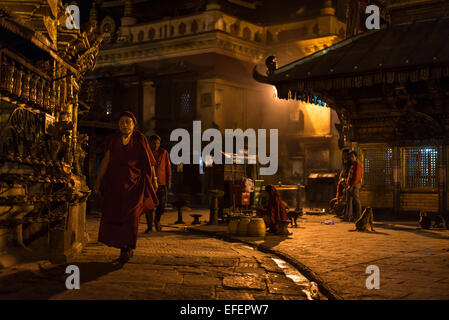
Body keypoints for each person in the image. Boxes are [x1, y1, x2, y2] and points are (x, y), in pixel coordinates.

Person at [94, 111, 159, 264]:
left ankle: (127, 247)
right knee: (116, 215)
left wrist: (154, 179)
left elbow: (149, 161)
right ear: (118, 124)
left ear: (133, 124)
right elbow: (106, 160)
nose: (124, 125)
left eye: (128, 122)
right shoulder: (113, 139)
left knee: (131, 217)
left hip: (134, 184)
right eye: (122, 122)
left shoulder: (139, 138)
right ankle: (122, 244)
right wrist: (98, 181)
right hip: (115, 185)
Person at [144, 134, 171, 232]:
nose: (156, 145)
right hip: (149, 184)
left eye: (158, 143)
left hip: (161, 184)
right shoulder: (146, 153)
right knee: (149, 206)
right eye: (154, 143)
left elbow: (168, 167)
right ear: (150, 143)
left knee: (162, 205)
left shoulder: (164, 153)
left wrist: (168, 181)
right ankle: (150, 227)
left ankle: (157, 220)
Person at [345, 150, 362, 222]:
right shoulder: (352, 165)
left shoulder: (358, 165)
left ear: (356, 157)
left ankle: (359, 217)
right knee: (349, 201)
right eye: (350, 157)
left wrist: (351, 185)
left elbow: (357, 177)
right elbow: (350, 176)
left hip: (355, 185)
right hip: (350, 185)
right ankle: (349, 217)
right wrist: (348, 185)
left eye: (352, 156)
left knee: (356, 201)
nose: (351, 158)